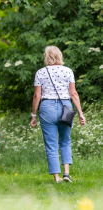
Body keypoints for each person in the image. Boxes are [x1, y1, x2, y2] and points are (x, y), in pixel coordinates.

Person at [30, 46, 86, 183]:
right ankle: (66, 173)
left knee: (51, 144)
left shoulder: (40, 72)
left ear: (46, 56)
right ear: (59, 56)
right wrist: (80, 113)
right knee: (65, 141)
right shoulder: (68, 71)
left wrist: (33, 115)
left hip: (47, 108)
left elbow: (37, 96)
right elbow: (73, 93)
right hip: (65, 106)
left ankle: (57, 178)